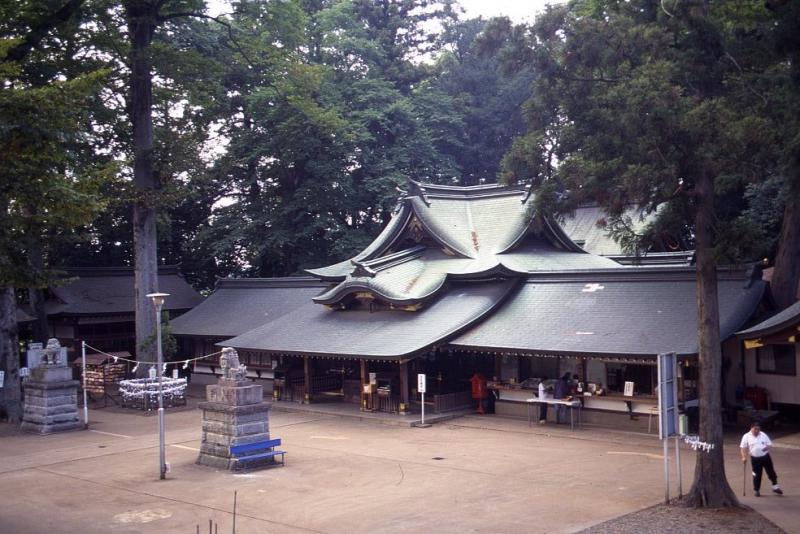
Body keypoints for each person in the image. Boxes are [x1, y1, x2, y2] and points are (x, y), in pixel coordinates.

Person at [740, 421, 783, 497]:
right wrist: (744, 457)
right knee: (756, 474)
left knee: (771, 472)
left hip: (765, 457)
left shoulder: (763, 435)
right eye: (755, 429)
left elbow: (769, 444)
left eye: (758, 429)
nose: (757, 431)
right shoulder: (746, 436)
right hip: (755, 459)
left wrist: (764, 449)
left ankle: (775, 487)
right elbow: (743, 448)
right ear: (751, 428)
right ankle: (757, 490)